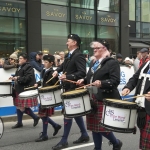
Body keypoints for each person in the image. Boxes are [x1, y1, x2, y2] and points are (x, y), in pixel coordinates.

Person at [77, 40, 123, 150]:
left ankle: (116, 142)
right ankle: (97, 148)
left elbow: (115, 81)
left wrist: (102, 83)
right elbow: (90, 78)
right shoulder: (94, 62)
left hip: (104, 98)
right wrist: (83, 80)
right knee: (93, 127)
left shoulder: (112, 62)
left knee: (101, 127)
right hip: (93, 97)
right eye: (94, 48)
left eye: (98, 48)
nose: (95, 50)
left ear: (105, 49)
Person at [52, 34, 89, 150]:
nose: (66, 43)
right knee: (75, 112)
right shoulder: (70, 55)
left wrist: (68, 76)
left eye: (68, 41)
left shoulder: (79, 56)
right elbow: (64, 66)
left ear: (75, 43)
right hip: (68, 87)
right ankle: (84, 134)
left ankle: (64, 140)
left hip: (73, 88)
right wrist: (57, 71)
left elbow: (82, 73)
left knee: (68, 114)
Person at [122, 60, 150, 150]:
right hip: (142, 106)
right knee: (144, 141)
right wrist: (128, 87)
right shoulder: (147, 64)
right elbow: (135, 77)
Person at [34, 54, 61, 142]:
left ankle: (45, 134)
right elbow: (43, 81)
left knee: (43, 115)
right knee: (42, 115)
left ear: (51, 63)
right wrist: (38, 83)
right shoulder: (44, 70)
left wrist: (46, 86)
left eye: (46, 62)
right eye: (43, 62)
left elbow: (55, 84)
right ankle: (55, 126)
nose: (44, 63)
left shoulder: (52, 72)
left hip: (48, 96)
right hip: (44, 95)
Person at [10, 52, 40, 129]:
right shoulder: (20, 67)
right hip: (19, 88)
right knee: (18, 106)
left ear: (25, 59)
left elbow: (28, 78)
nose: (19, 60)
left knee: (22, 107)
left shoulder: (28, 67)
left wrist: (18, 78)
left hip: (24, 90)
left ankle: (35, 117)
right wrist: (14, 77)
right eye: (19, 58)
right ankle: (19, 122)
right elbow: (20, 76)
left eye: (21, 58)